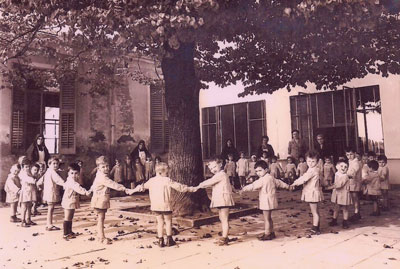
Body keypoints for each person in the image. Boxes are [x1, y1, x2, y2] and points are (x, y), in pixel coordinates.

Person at [136, 162, 196, 247]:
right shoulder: (167, 180)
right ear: (161, 172)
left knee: (159, 222)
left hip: (155, 206)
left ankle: (160, 240)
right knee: (168, 221)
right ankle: (169, 239)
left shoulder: (151, 181)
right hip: (166, 205)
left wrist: (132, 190)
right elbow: (179, 187)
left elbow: (142, 187)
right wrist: (190, 188)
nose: (167, 174)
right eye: (166, 172)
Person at [89, 156, 137, 244]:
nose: (106, 168)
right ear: (98, 168)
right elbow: (113, 184)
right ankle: (101, 237)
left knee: (100, 219)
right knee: (101, 219)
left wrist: (90, 190)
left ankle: (100, 236)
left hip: (99, 199)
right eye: (103, 167)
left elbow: (94, 184)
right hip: (100, 200)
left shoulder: (99, 175)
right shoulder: (103, 178)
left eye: (107, 166)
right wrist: (124, 189)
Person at [240, 160, 289, 240]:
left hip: (266, 201)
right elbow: (280, 183)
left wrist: (244, 189)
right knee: (269, 218)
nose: (258, 173)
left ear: (266, 170)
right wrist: (288, 186)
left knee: (266, 218)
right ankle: (271, 232)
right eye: (256, 171)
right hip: (271, 200)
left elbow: (253, 186)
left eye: (260, 170)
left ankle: (267, 234)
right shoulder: (271, 177)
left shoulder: (262, 180)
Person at [194, 157, 235, 246]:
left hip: (224, 199)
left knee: (224, 219)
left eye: (214, 167)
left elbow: (210, 182)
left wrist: (199, 185)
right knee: (222, 218)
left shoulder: (221, 174)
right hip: (220, 199)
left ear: (220, 164)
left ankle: (225, 237)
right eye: (211, 169)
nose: (213, 170)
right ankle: (224, 235)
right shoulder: (219, 175)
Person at [290, 151, 323, 234]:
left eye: (313, 161)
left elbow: (304, 178)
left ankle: (315, 228)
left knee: (314, 212)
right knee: (316, 211)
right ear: (306, 160)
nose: (310, 163)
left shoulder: (312, 170)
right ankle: (317, 226)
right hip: (314, 191)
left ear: (317, 161)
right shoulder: (314, 169)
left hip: (312, 192)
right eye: (308, 161)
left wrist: (294, 183)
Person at [62, 163, 91, 240]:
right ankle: (65, 233)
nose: (74, 175)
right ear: (68, 173)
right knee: (67, 217)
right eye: (72, 173)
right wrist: (86, 192)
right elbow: (78, 188)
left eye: (76, 173)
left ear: (79, 173)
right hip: (68, 201)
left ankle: (69, 231)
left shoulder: (72, 181)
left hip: (72, 200)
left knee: (70, 216)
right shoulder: (71, 182)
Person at [36, 157, 65, 231]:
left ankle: (48, 224)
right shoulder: (53, 172)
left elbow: (39, 181)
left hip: (48, 192)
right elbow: (59, 181)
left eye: (57, 164)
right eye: (54, 163)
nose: (56, 165)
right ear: (49, 164)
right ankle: (49, 225)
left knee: (50, 208)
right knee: (51, 209)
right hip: (51, 193)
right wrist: (66, 184)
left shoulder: (48, 171)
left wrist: (39, 186)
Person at [327, 160, 352, 229]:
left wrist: (330, 187)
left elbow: (339, 184)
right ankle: (334, 220)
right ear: (337, 166)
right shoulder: (337, 174)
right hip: (338, 193)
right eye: (341, 166)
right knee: (336, 207)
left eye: (345, 167)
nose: (343, 168)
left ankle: (345, 221)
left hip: (344, 194)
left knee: (345, 208)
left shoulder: (345, 176)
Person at [18, 159, 38, 227]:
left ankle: (28, 219)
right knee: (24, 207)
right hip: (25, 192)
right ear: (23, 167)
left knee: (29, 205)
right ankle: (23, 221)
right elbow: (31, 180)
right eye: (26, 167)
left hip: (30, 191)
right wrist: (34, 179)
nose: (28, 168)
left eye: (29, 166)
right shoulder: (22, 174)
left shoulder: (29, 173)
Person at [345, 148, 362, 222]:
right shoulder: (350, 161)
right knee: (353, 197)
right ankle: (356, 213)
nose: (349, 156)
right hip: (351, 182)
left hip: (355, 182)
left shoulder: (356, 163)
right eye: (347, 155)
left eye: (351, 154)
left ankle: (357, 213)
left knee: (355, 198)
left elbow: (353, 172)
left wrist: (345, 175)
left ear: (355, 153)